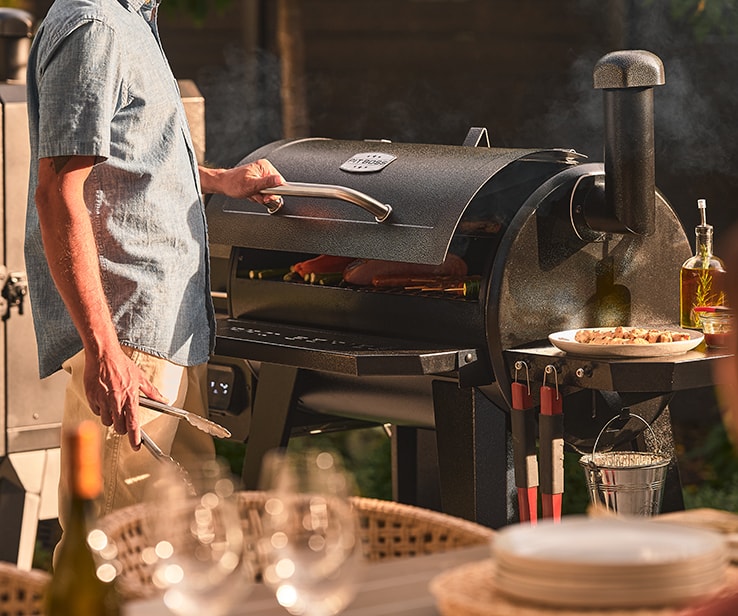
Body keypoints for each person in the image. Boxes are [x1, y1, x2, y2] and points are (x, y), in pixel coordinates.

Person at [24, 0, 285, 554]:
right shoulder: (94, 24)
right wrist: (105, 350)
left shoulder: (130, 19)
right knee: (116, 555)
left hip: (165, 330)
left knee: (180, 549)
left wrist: (220, 180)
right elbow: (58, 193)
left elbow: (128, 158)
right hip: (129, 342)